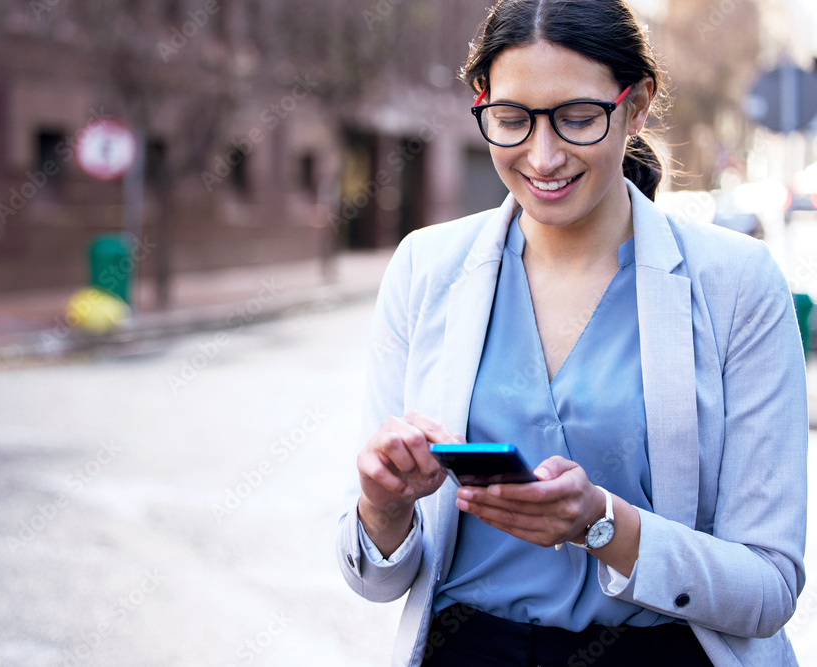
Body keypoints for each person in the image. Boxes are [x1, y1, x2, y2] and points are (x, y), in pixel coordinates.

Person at [336, 1, 808, 665]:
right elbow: (376, 577)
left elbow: (768, 586)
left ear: (636, 105)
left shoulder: (737, 283)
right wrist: (382, 509)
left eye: (579, 118)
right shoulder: (425, 267)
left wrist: (605, 525)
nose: (544, 155)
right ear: (482, 105)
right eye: (511, 120)